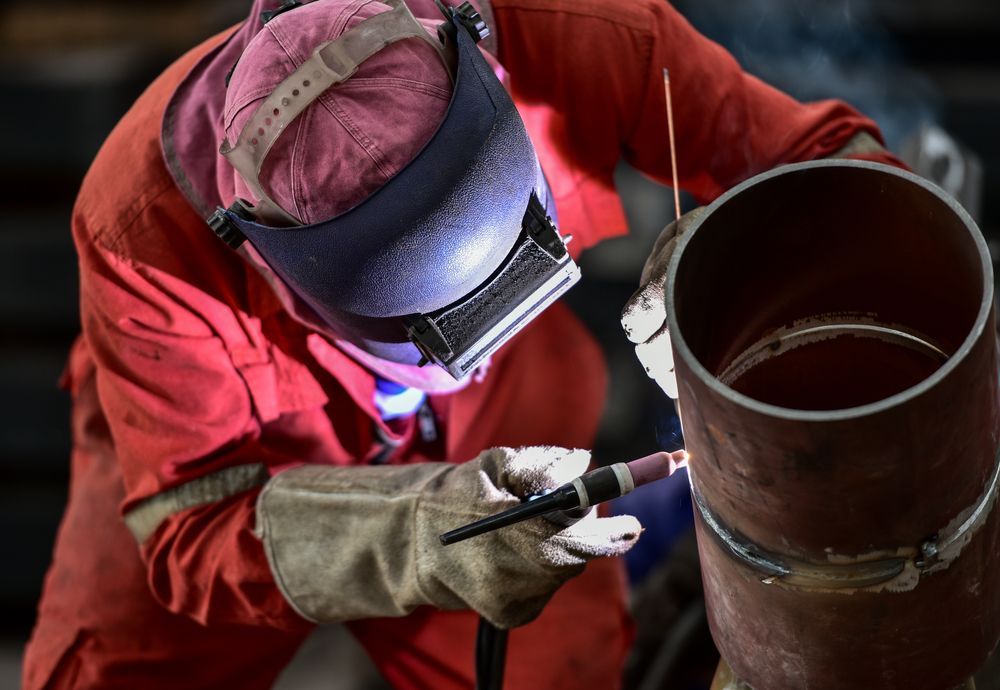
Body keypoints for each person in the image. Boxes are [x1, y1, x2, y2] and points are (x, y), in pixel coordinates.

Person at [22, 1, 903, 689]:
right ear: (271, 257)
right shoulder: (142, 235)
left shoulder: (566, 31)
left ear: (485, 69)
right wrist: (409, 535)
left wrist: (731, 262)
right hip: (214, 457)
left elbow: (842, 162)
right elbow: (192, 530)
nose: (471, 350)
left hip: (511, 421)